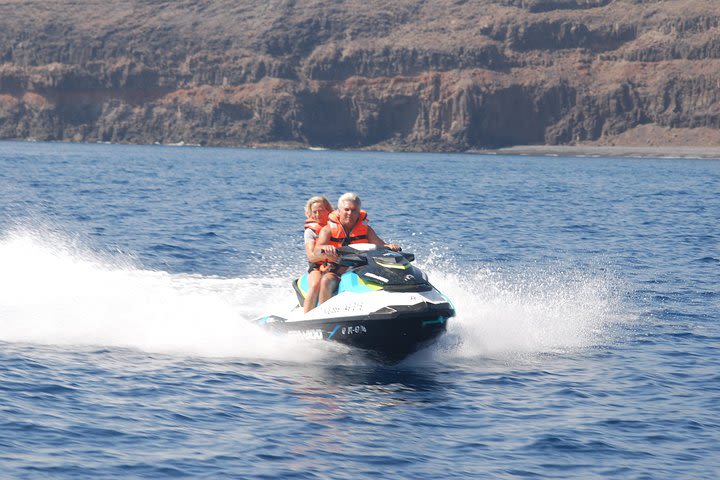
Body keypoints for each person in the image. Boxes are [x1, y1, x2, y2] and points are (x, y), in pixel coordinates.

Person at [314, 192, 401, 305]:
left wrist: (390, 247)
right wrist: (325, 248)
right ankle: (323, 316)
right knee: (326, 280)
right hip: (336, 269)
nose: (350, 213)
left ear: (358, 212)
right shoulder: (328, 230)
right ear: (339, 211)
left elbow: (381, 246)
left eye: (354, 210)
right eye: (346, 210)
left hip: (360, 268)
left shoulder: (366, 229)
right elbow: (316, 251)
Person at [302, 195, 333, 313]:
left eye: (321, 211)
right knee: (316, 285)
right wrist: (327, 255)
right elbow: (311, 256)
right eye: (314, 212)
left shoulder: (337, 226)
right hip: (317, 266)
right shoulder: (310, 232)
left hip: (338, 263)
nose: (317, 215)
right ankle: (306, 318)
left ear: (328, 210)